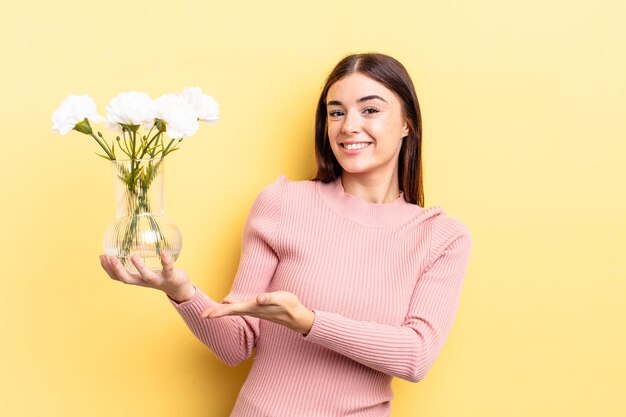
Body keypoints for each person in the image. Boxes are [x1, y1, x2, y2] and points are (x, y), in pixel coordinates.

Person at [100, 52, 472, 417]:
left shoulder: (440, 237)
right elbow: (237, 346)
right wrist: (182, 293)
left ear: (408, 123)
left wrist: (308, 321)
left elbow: (416, 356)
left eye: (370, 110)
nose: (348, 126)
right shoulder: (282, 203)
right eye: (336, 112)